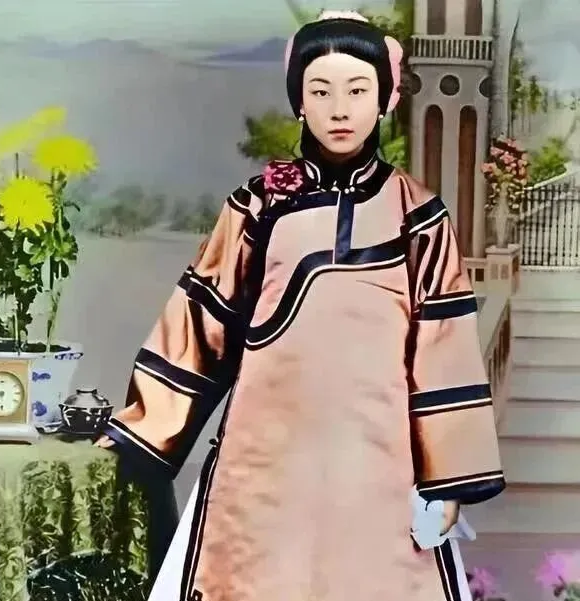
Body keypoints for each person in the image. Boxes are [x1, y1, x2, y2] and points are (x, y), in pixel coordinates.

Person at [96, 10, 505, 601]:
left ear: (385, 99)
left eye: (357, 91)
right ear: (299, 103)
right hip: (266, 459)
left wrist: (446, 483)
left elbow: (445, 350)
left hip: (379, 462)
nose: (340, 109)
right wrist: (143, 427)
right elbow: (202, 320)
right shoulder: (258, 206)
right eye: (321, 91)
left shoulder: (418, 215)